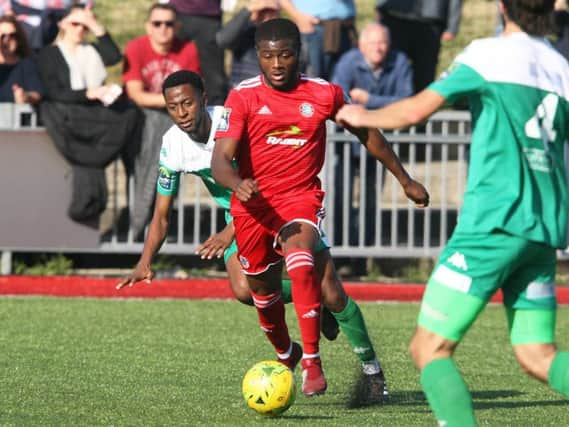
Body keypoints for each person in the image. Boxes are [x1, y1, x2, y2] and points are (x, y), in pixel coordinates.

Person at [336, 1, 569, 424]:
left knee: (429, 349)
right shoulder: (561, 66)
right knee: (538, 354)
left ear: (501, 7)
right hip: (542, 230)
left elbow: (414, 110)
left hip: (493, 224)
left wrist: (359, 114)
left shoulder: (488, 55)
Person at [116, 69, 393, 405]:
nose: (182, 113)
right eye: (173, 107)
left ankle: (372, 372)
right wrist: (145, 263)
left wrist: (229, 228)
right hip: (241, 218)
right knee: (245, 289)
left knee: (333, 293)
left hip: (283, 204)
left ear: (204, 100)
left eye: (188, 103)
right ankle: (294, 343)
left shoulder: (235, 120)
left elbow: (267, 177)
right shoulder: (173, 145)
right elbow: (161, 215)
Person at [212, 18, 429, 397]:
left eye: (285, 55)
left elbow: (367, 134)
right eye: (267, 56)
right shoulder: (243, 96)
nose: (277, 64)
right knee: (258, 291)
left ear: (299, 54)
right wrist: (236, 183)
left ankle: (323, 363)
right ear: (259, 58)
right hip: (253, 207)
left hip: (300, 198)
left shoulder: (324, 93)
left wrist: (404, 179)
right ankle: (288, 351)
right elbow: (220, 160)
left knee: (308, 265)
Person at [37, 5, 140, 222]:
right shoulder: (49, 53)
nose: (80, 29)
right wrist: (89, 93)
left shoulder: (92, 50)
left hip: (95, 118)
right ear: (62, 24)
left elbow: (113, 57)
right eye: (75, 23)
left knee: (130, 113)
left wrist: (95, 25)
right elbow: (54, 91)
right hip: (68, 117)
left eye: (85, 26)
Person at [331, 21, 413, 249]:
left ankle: (362, 252)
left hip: (380, 145)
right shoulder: (348, 61)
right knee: (339, 197)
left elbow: (407, 100)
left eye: (383, 43)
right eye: (373, 43)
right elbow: (338, 98)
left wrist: (369, 101)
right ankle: (338, 249)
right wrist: (381, 109)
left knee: (371, 200)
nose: (378, 48)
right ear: (361, 45)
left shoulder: (400, 62)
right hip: (346, 143)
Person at [122, 2, 201, 239]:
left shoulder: (187, 49)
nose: (163, 29)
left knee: (169, 174)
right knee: (141, 174)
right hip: (142, 120)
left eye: (168, 23)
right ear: (148, 26)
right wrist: (172, 103)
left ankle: (157, 232)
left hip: (172, 120)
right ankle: (136, 229)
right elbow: (136, 93)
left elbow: (192, 93)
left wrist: (173, 106)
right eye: (157, 23)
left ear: (177, 26)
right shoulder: (136, 47)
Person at [375, 0, 463, 92]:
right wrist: (381, 7)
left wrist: (452, 26)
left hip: (430, 22)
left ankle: (422, 102)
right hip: (395, 15)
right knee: (392, 66)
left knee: (425, 71)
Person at [166, 0, 228, 105]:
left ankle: (216, 113)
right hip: (179, 12)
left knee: (213, 74)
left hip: (208, 15)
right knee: (172, 62)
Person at [279, 0, 357, 80]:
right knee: (314, 80)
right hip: (315, 29)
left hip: (345, 28)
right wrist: (299, 17)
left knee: (347, 78)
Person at [215, 0, 279, 88]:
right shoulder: (246, 31)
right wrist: (248, 10)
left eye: (271, 11)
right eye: (263, 11)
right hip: (243, 93)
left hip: (271, 94)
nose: (267, 16)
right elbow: (222, 40)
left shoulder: (283, 37)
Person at [0, 0, 94, 51]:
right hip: (21, 18)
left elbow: (85, 4)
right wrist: (7, 12)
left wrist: (82, 12)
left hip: (62, 22)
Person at [0, 15, 43, 104]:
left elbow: (36, 94)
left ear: (19, 39)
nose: (7, 40)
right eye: (2, 36)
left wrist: (25, 96)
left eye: (12, 35)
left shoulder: (27, 65)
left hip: (14, 116)